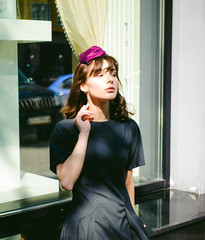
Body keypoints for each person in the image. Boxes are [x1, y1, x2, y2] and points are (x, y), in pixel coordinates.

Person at [49, 46, 150, 240]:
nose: (110, 79)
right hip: (88, 227)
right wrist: (84, 134)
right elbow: (67, 182)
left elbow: (127, 180)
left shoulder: (129, 128)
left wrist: (133, 218)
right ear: (83, 86)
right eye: (99, 74)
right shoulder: (65, 130)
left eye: (112, 73)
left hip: (124, 225)